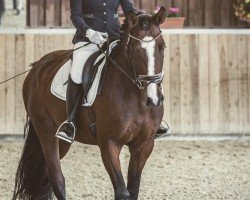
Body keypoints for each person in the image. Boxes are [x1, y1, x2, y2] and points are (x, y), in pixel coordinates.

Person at [56, 0, 169, 143]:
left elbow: (129, 10)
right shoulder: (87, 33)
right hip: (88, 40)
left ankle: (151, 118)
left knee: (143, 65)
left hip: (115, 37)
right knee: (77, 72)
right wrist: (88, 32)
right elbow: (76, 16)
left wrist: (144, 20)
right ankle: (70, 123)